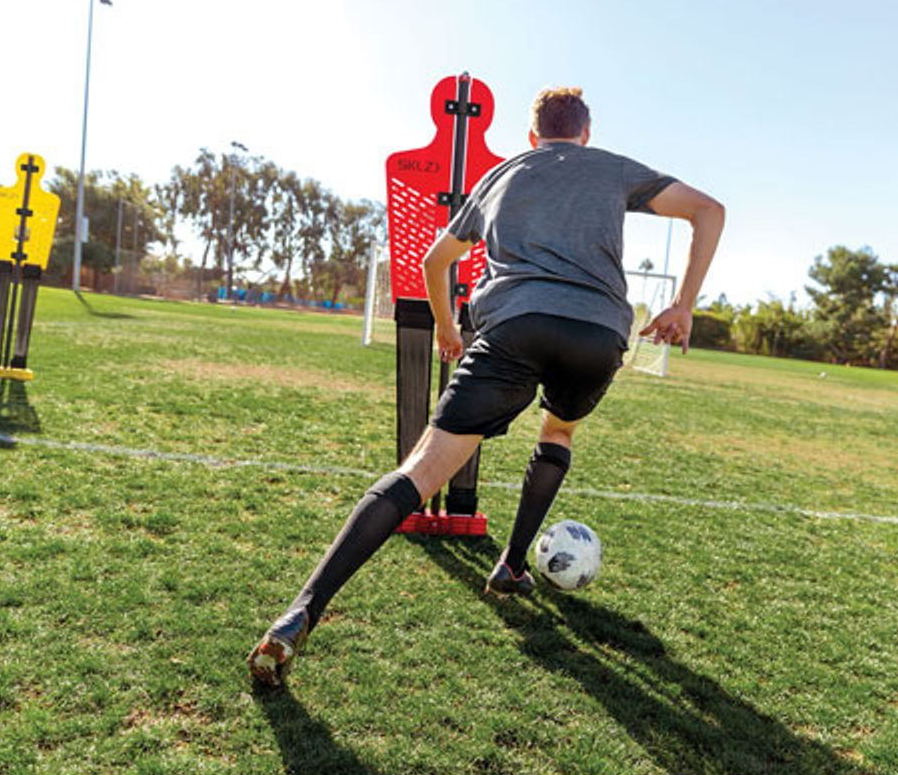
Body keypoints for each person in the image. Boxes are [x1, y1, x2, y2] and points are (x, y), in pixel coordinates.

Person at [247, 86, 725, 687]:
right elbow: (710, 210)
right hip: (598, 334)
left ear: (533, 135)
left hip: (516, 325)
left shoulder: (501, 175)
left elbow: (433, 260)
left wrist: (449, 329)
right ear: (584, 133)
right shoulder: (614, 169)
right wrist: (683, 304)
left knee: (421, 471)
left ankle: (302, 611)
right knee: (559, 429)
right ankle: (511, 564)